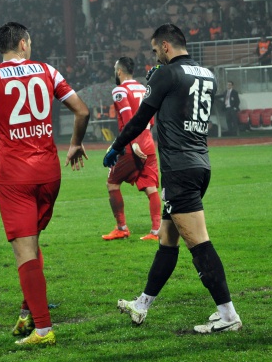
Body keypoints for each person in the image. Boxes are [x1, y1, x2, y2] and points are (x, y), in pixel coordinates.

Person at [0, 22, 90, 346]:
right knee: (32, 242)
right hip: (49, 173)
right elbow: (82, 112)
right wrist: (75, 143)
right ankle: (27, 312)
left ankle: (43, 330)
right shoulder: (47, 71)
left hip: (16, 177)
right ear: (24, 43)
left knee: (24, 250)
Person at [102, 23, 242, 333]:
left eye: (156, 50)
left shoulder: (166, 74)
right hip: (200, 163)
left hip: (179, 169)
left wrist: (117, 145)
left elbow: (141, 118)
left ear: (165, 46)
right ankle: (142, 305)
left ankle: (229, 315)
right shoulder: (207, 74)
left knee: (199, 243)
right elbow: (183, 108)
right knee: (167, 240)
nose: (156, 57)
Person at [102, 56, 161, 241]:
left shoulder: (119, 90)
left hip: (131, 142)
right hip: (148, 139)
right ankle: (156, 231)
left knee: (112, 183)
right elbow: (151, 119)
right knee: (150, 187)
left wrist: (133, 142)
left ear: (119, 71)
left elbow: (128, 117)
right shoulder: (144, 88)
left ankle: (122, 228)